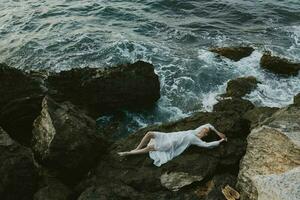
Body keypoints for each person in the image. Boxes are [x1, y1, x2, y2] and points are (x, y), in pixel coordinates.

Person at [118, 123, 227, 166]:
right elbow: (209, 124)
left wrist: (220, 141)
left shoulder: (196, 139)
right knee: (149, 133)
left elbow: (207, 145)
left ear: (205, 133)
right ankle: (136, 148)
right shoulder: (195, 131)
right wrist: (218, 133)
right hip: (168, 136)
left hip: (170, 144)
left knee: (150, 147)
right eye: (203, 128)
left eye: (203, 130)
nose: (202, 128)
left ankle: (130, 153)